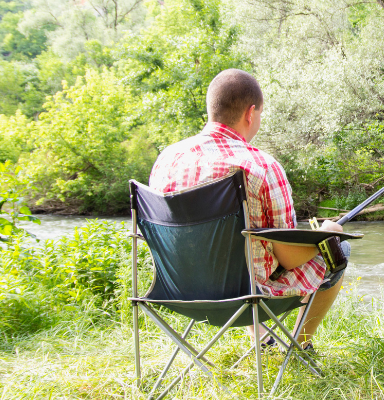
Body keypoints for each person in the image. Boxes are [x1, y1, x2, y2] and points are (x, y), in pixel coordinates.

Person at [148, 68, 347, 347]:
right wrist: (327, 233)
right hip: (247, 296)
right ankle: (298, 345)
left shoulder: (167, 159)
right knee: (338, 249)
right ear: (250, 113)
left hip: (178, 291)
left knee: (248, 245)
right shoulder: (261, 166)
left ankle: (262, 338)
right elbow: (289, 258)